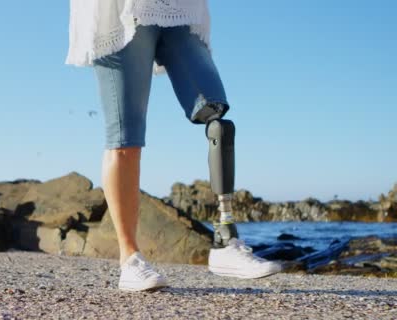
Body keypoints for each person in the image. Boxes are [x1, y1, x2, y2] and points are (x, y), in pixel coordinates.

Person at [66, 0, 282, 292]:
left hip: (181, 9)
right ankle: (129, 259)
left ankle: (225, 242)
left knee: (215, 113)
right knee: (125, 139)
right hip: (118, 12)